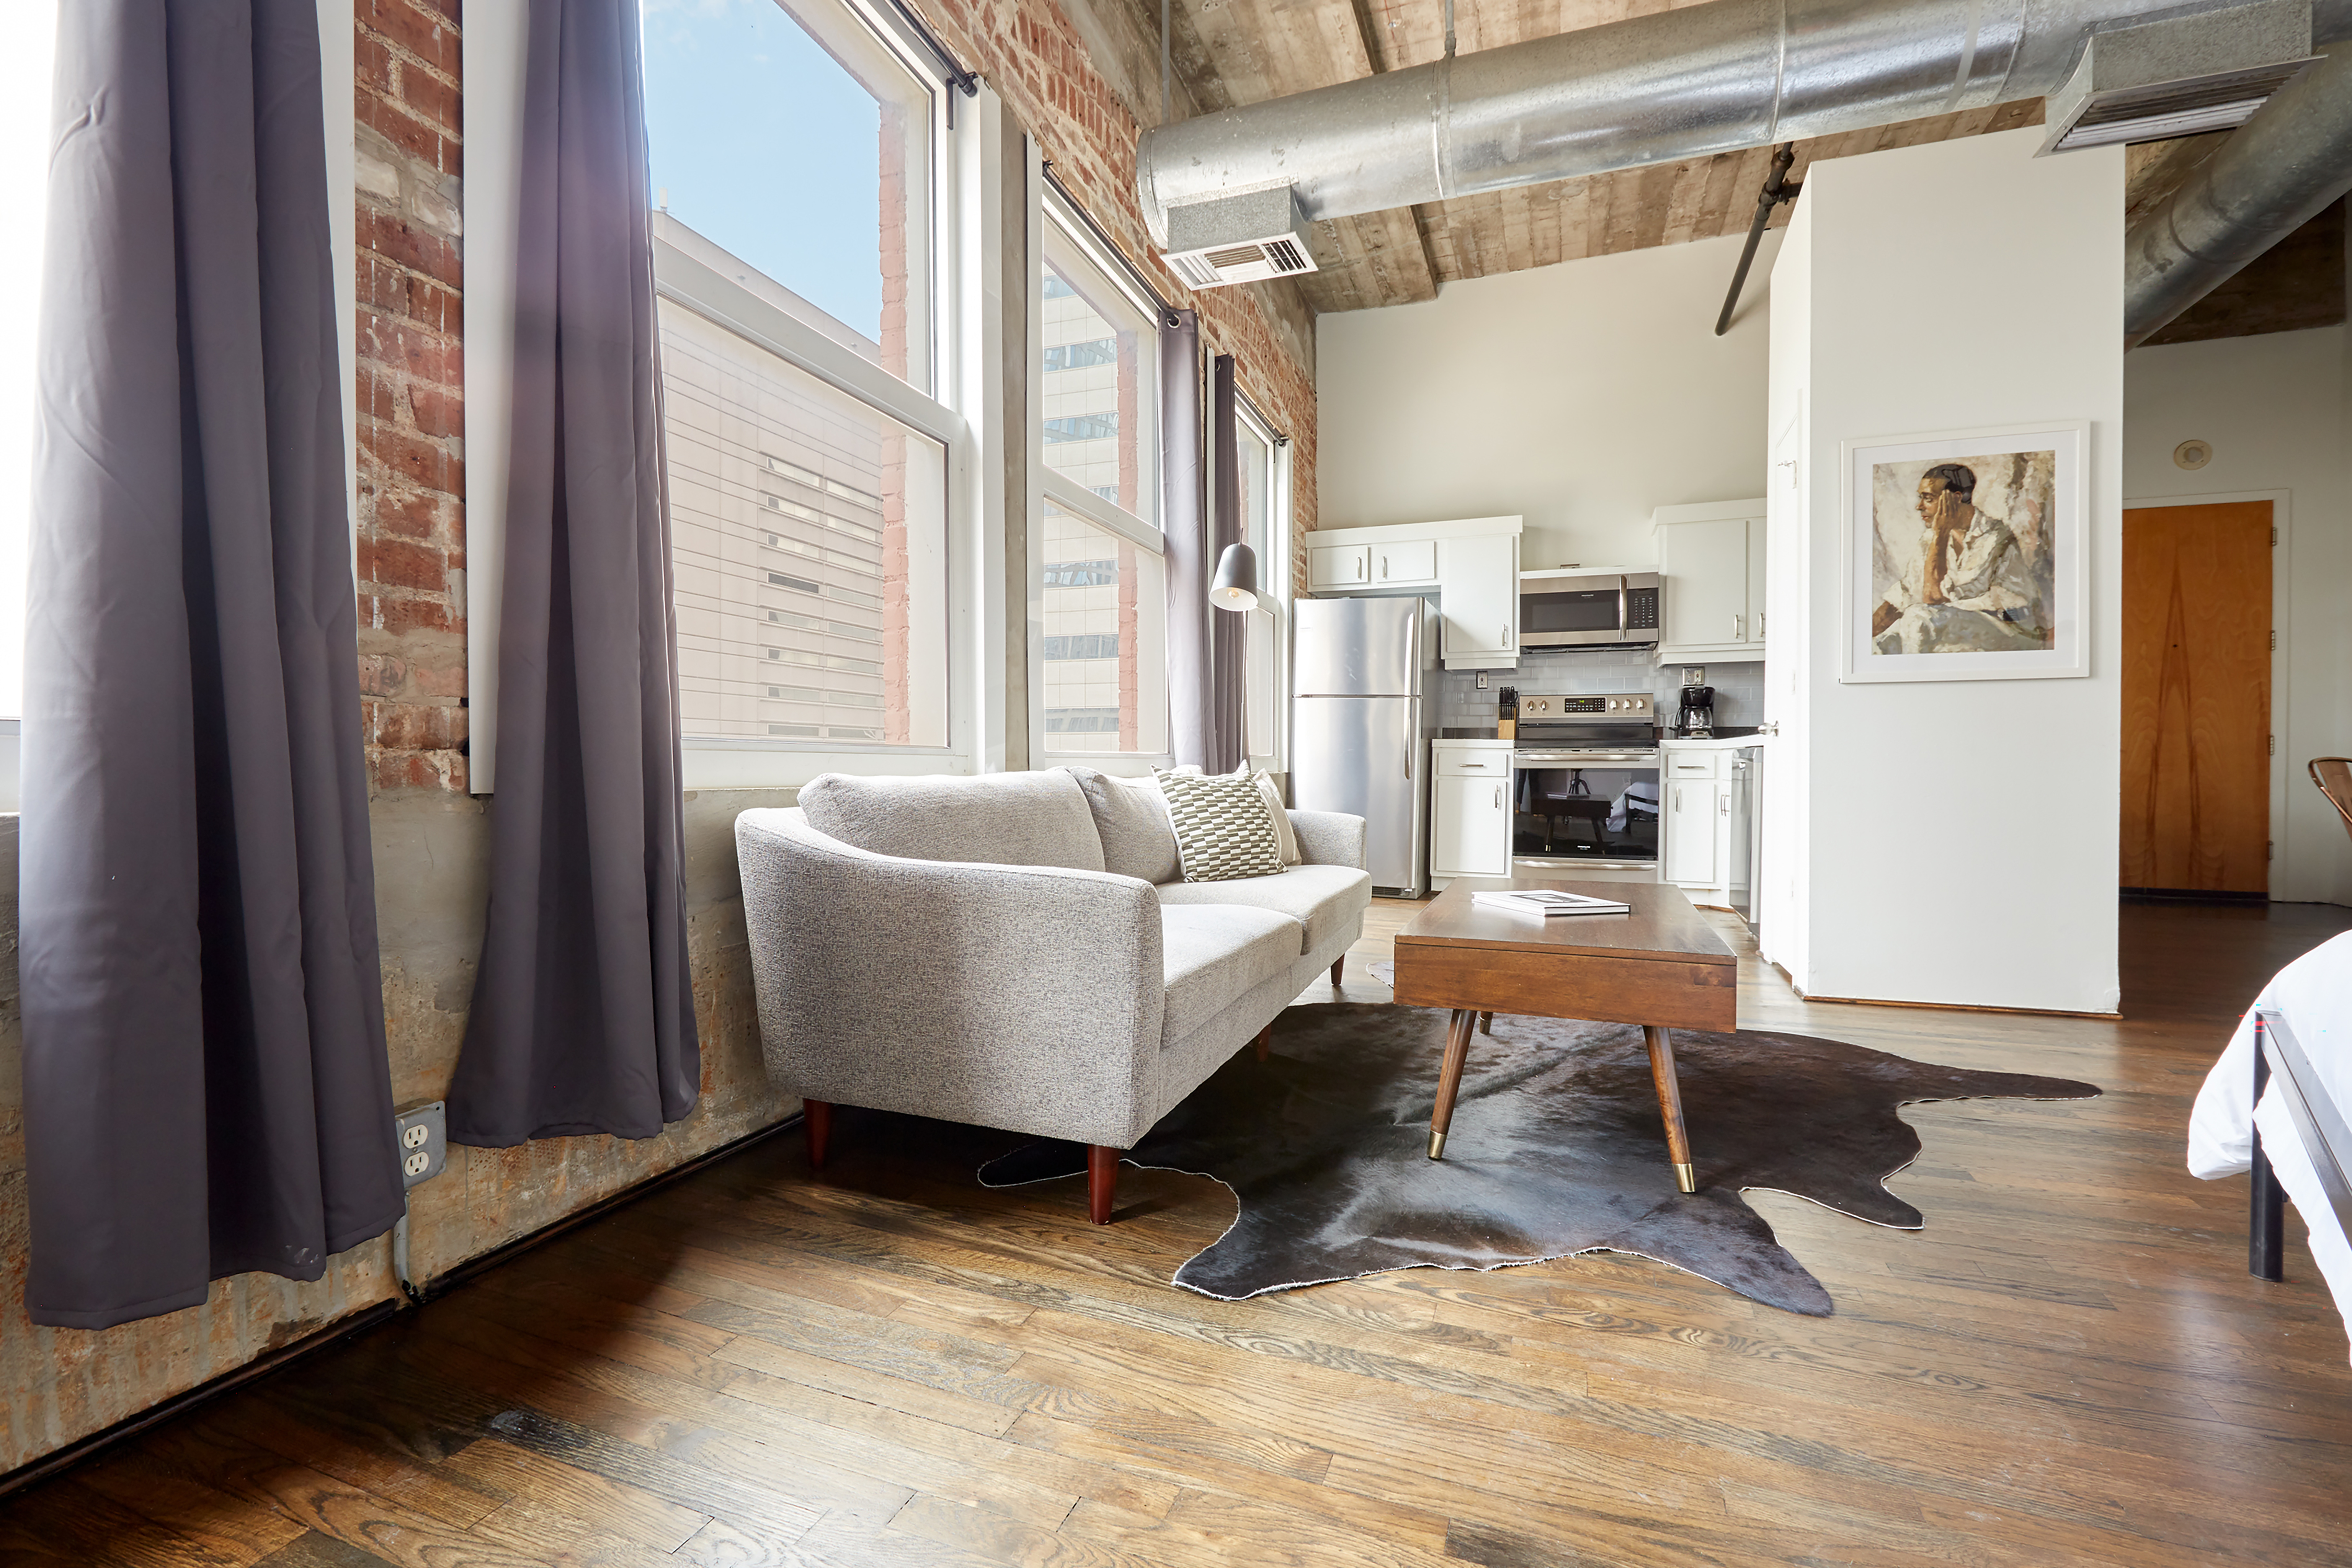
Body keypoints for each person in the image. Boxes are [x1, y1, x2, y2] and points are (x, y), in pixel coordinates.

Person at [1871, 463, 2049, 654]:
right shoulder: (1929, 540)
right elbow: (1905, 593)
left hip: (2010, 629)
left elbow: (1933, 599)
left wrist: (1941, 533)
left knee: (1917, 618)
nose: (1919, 506)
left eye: (1928, 498)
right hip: (1962, 625)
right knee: (1884, 643)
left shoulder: (1994, 537)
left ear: (1955, 499)